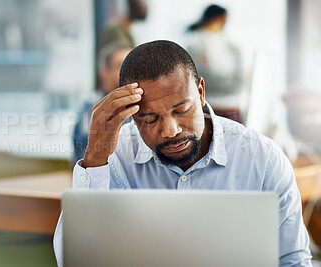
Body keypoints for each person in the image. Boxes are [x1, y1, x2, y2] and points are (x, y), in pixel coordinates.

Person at [55, 40, 312, 266]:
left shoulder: (263, 159)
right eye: (151, 118)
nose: (170, 130)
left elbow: (292, 260)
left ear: (200, 92)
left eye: (181, 110)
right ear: (132, 116)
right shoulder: (115, 157)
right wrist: (95, 159)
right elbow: (73, 260)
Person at [73, 42, 133, 163]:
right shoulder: (92, 109)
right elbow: (88, 158)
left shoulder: (148, 106)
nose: (130, 71)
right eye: (121, 65)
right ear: (104, 74)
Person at [185, 4, 245, 123]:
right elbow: (201, 78)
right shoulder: (194, 45)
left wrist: (214, 74)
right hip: (207, 107)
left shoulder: (233, 47)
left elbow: (239, 81)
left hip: (232, 107)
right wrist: (228, 80)